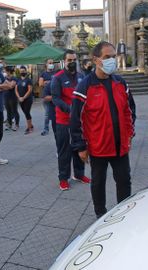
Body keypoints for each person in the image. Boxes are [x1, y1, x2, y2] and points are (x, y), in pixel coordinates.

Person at [71, 41, 136, 218]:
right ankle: (100, 215)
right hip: (98, 146)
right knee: (98, 182)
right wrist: (81, 147)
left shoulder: (120, 83)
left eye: (113, 57)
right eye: (107, 57)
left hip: (121, 145)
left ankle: (123, 213)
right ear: (95, 60)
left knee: (124, 180)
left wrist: (130, 133)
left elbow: (130, 110)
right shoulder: (84, 87)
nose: (111, 61)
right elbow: (75, 119)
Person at [52, 49, 90, 190]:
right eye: (69, 60)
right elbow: (55, 99)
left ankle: (79, 174)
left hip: (79, 121)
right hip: (64, 121)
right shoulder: (58, 78)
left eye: (74, 60)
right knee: (64, 150)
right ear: (64, 61)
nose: (72, 62)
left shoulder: (81, 77)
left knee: (79, 146)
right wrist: (70, 110)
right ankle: (63, 178)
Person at [39, 59, 56, 136]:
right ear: (46, 64)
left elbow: (58, 82)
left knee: (56, 113)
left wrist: (47, 82)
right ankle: (46, 129)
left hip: (55, 96)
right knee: (47, 114)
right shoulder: (43, 74)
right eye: (50, 63)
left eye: (52, 63)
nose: (51, 64)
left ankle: (56, 128)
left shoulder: (56, 73)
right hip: (46, 96)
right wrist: (51, 82)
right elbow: (40, 84)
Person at [16, 66, 34, 135]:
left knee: (27, 112)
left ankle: (29, 128)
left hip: (28, 99)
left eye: (23, 71)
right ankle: (31, 125)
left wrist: (23, 97)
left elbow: (30, 90)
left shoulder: (28, 80)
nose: (22, 72)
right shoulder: (18, 79)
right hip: (20, 99)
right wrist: (19, 97)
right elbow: (16, 89)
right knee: (25, 112)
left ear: (26, 71)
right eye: (21, 71)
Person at [3, 66, 19, 131]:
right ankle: (9, 124)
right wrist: (6, 85)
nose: (4, 72)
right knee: (8, 111)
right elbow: (2, 86)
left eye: (5, 71)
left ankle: (16, 125)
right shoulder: (4, 78)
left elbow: (11, 86)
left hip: (13, 97)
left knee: (14, 111)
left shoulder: (14, 78)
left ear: (8, 71)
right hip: (6, 96)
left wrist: (6, 83)